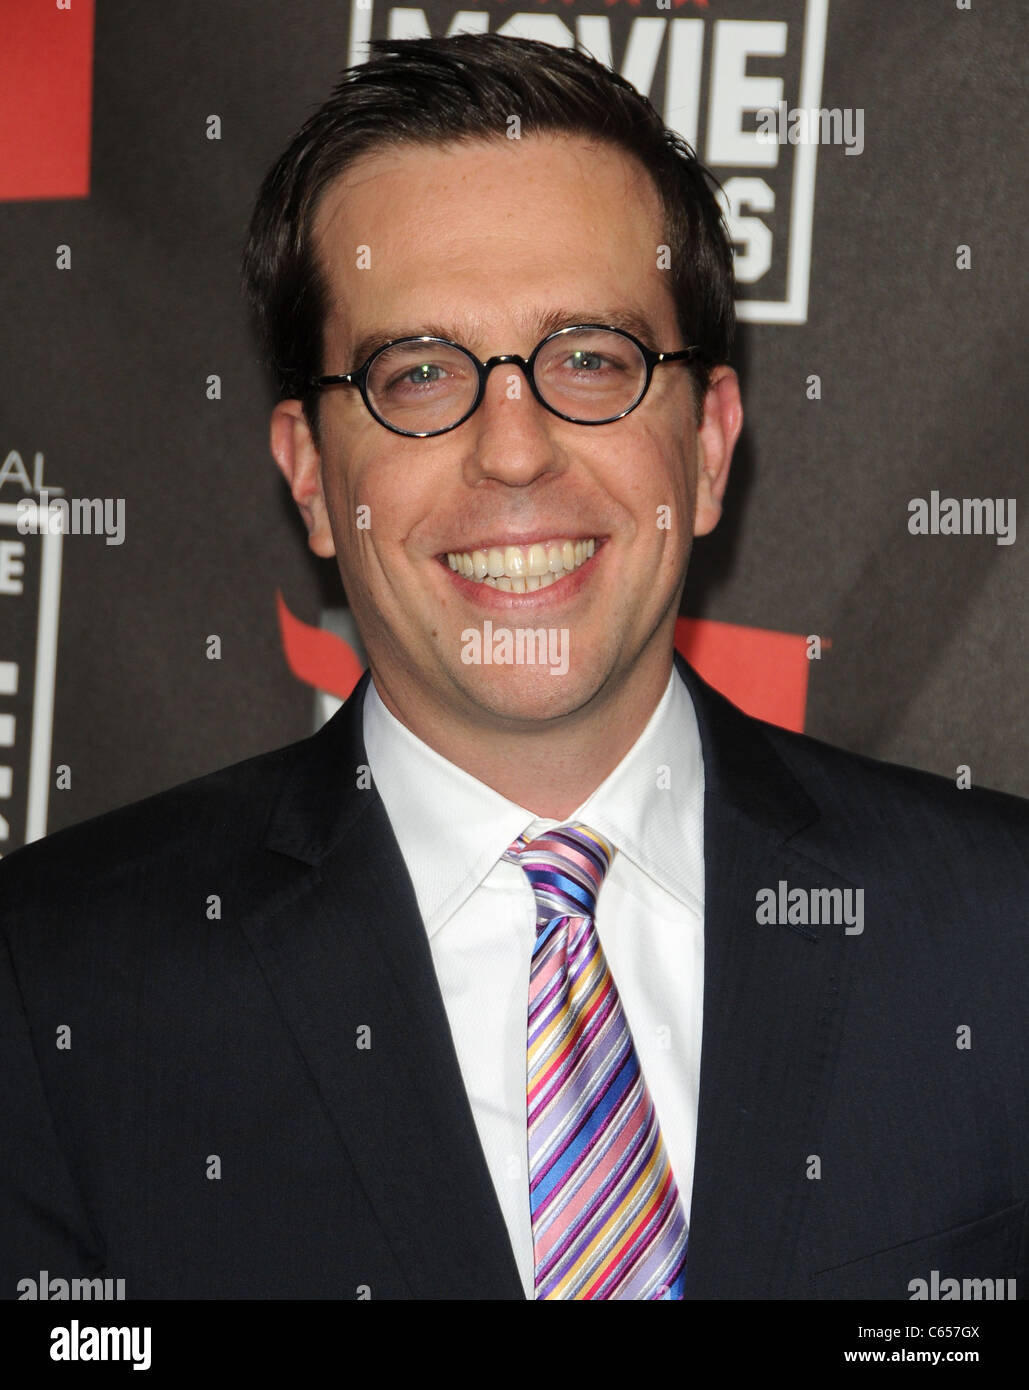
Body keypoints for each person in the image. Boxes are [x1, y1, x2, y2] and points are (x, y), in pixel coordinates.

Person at [1, 32, 1026, 1302]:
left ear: (707, 447)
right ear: (311, 477)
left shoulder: (999, 935)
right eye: (418, 375)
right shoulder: (53, 988)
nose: (515, 450)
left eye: (589, 357)